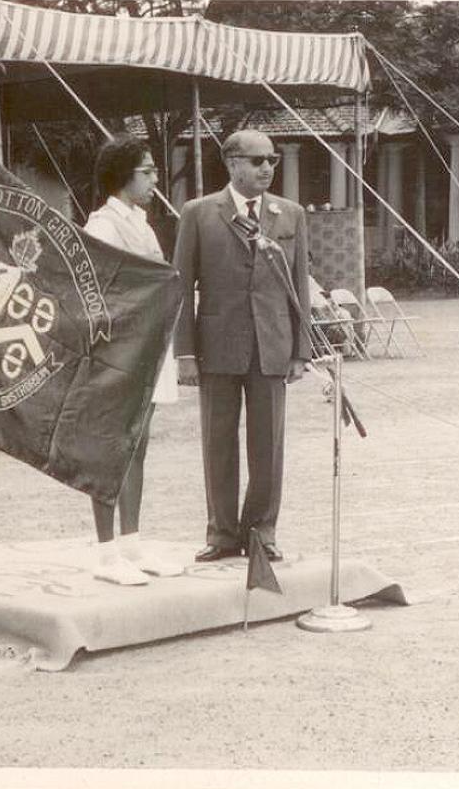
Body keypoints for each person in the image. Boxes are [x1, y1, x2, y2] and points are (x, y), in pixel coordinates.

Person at [173, 129, 311, 564]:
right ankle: (222, 533)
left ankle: (261, 531)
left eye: (272, 160)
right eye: (256, 161)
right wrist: (185, 353)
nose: (267, 167)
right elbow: (180, 286)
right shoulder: (198, 214)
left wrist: (300, 350)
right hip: (217, 346)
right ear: (231, 163)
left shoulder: (290, 214)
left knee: (269, 444)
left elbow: (299, 285)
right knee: (218, 441)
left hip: (272, 345)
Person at [80, 134, 182, 585]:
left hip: (149, 347)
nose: (155, 179)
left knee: (137, 448)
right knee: (110, 450)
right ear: (123, 176)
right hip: (119, 352)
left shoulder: (143, 222)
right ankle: (105, 553)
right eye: (148, 171)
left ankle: (132, 545)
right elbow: (103, 293)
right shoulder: (101, 225)